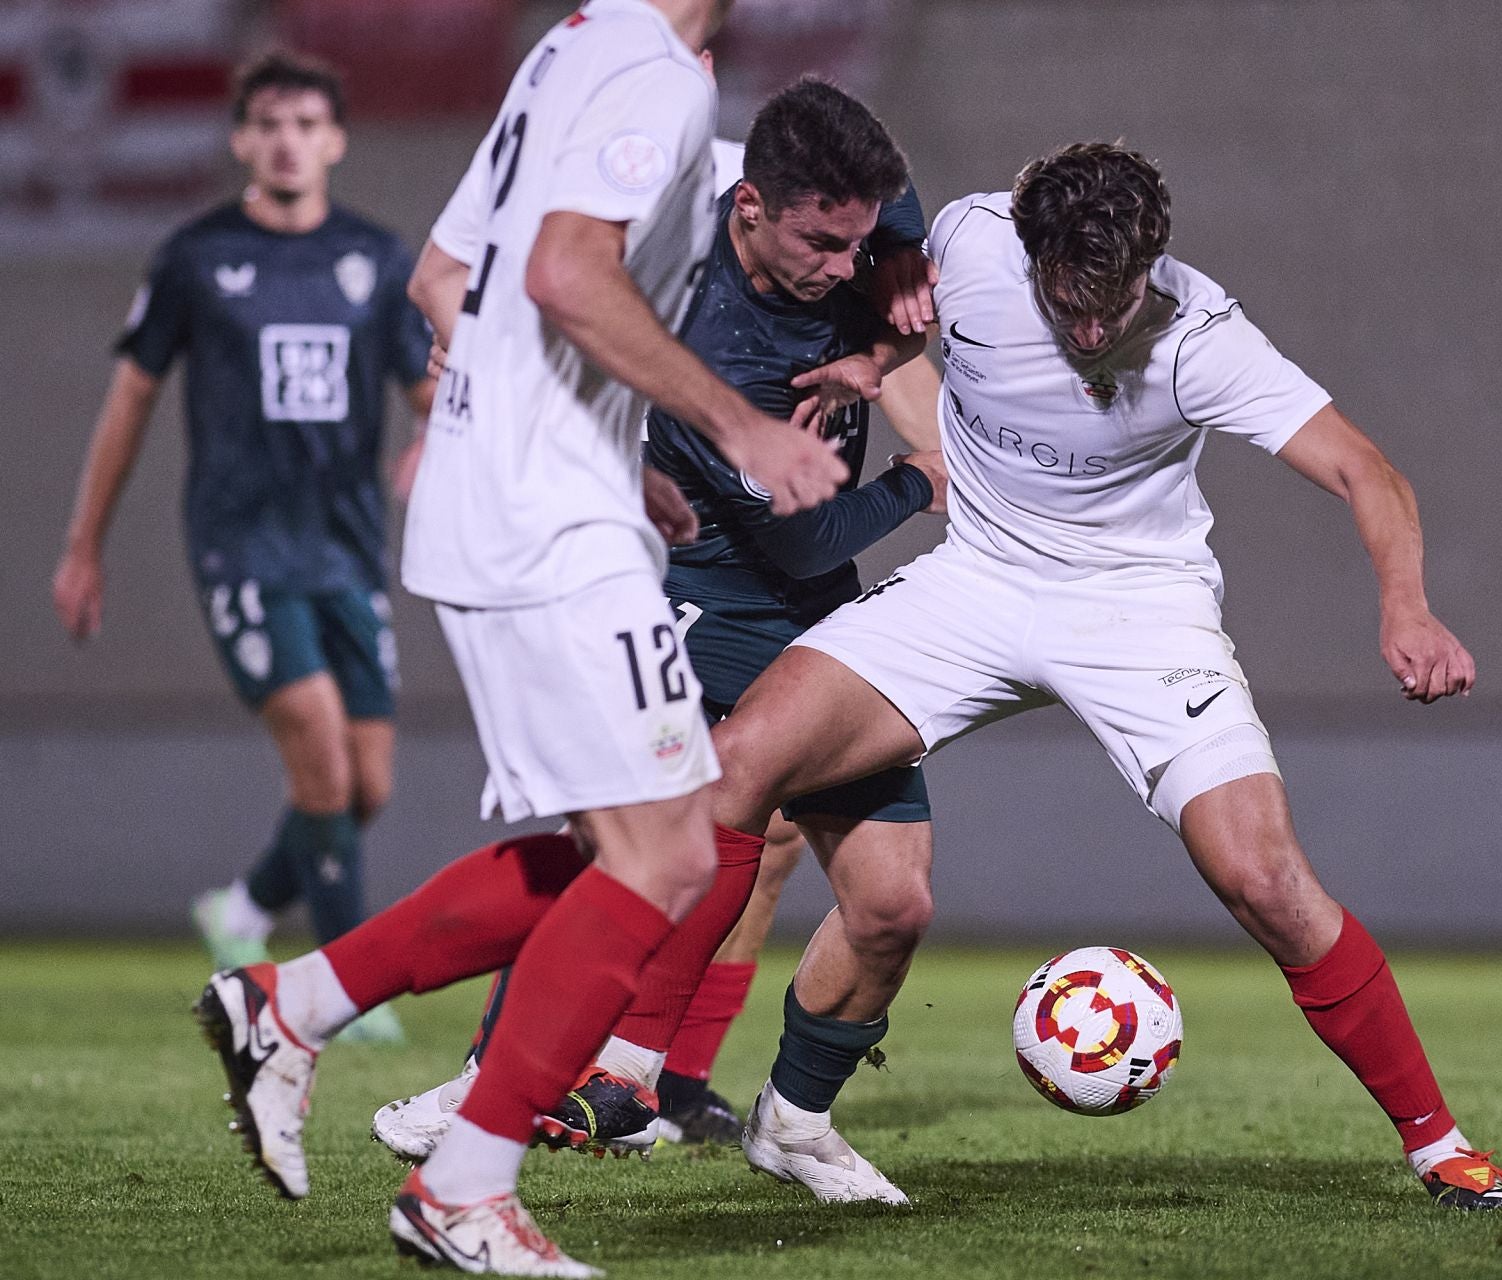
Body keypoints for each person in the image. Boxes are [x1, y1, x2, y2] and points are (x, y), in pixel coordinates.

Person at [700, 142, 1502, 1212]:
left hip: (1139, 607)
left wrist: (1405, 603)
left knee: (1264, 875)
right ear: (1025, 253)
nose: (1092, 333)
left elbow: (1368, 469)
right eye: (1068, 304)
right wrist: (878, 353)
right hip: (978, 582)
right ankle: (670, 1082)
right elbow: (890, 295)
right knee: (738, 763)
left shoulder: (1201, 335)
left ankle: (1440, 1142)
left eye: (1114, 304)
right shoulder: (969, 241)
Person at [191, 1, 848, 1273]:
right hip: (548, 528)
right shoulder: (651, 76)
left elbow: (445, 275)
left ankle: (293, 1003)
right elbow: (560, 273)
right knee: (669, 855)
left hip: (538, 501)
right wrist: (736, 429)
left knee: (619, 846)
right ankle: (464, 1187)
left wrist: (594, 445)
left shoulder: (567, 49)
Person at [370, 77, 943, 1163]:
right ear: (748, 210)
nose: (843, 267)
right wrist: (921, 479)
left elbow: (889, 196)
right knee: (632, 851)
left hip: (814, 612)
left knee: (892, 896)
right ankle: (503, 1072)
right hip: (707, 594)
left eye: (855, 242)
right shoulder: (716, 338)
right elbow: (803, 538)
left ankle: (782, 1119)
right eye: (824, 245)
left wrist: (889, 292)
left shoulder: (818, 207)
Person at [51, 52, 433, 1045]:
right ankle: (345, 989)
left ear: (336, 140)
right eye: (268, 122)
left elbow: (429, 391)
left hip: (346, 552)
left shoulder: (378, 261)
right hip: (243, 547)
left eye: (307, 123)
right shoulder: (195, 256)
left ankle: (247, 909)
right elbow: (130, 398)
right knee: (317, 746)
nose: (287, 139)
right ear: (239, 139)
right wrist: (83, 544)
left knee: (365, 785)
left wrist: (443, 436)